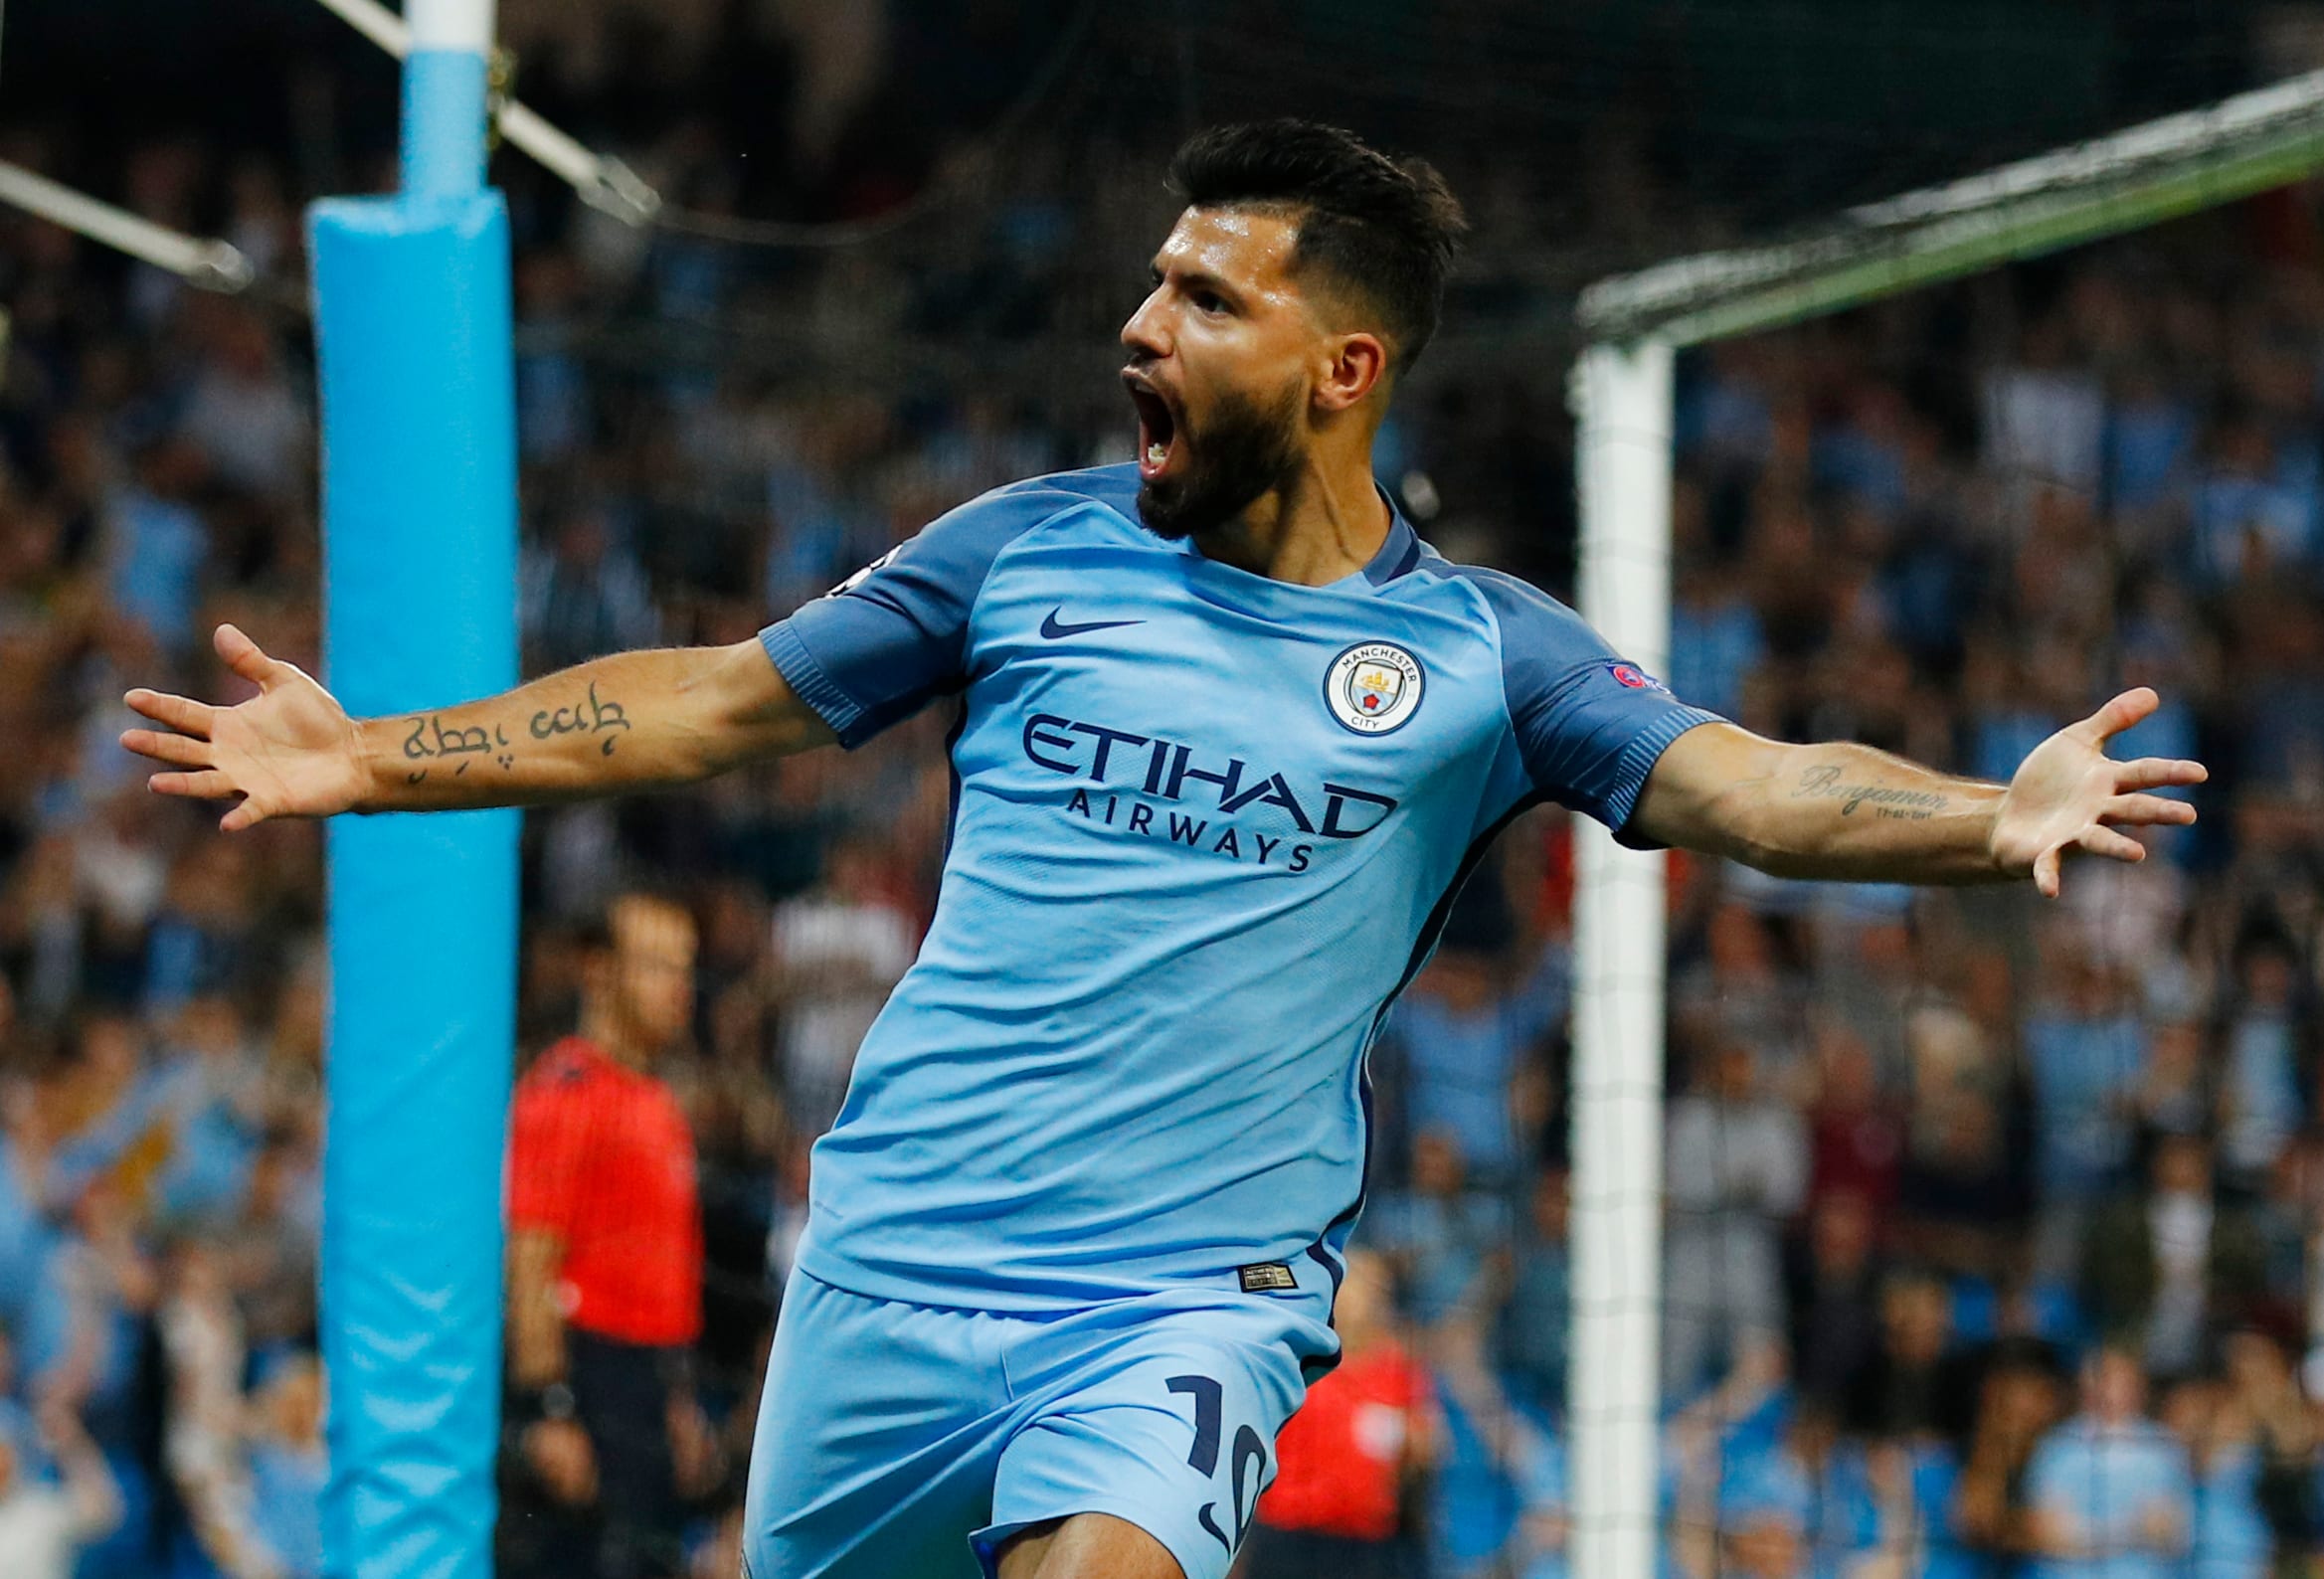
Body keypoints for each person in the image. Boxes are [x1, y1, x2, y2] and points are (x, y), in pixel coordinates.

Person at [121, 118, 2206, 1579]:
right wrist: (368, 755)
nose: (1140, 322)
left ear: (1340, 368)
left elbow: (1753, 784)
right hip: (889, 1264)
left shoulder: (1484, 658)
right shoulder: (1020, 551)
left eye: (1203, 296)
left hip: (1178, 1303)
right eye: (1151, 277)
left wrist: (1989, 812)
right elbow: (713, 697)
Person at [499, 891, 712, 1579]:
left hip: (649, 1396)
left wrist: (678, 1403)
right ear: (598, 971)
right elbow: (531, 1264)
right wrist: (550, 1412)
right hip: (589, 1387)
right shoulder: (562, 1093)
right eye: (657, 966)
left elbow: (665, 1282)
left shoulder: (661, 1104)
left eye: (684, 968)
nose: (678, 988)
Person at [1241, 1250, 1432, 1579]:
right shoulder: (1297, 1354)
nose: (1364, 1299)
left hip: (1363, 1540)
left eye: (1374, 1289)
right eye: (1356, 1286)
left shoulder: (1397, 1367)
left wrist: (1398, 1433)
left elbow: (1427, 1447)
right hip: (1288, 1535)